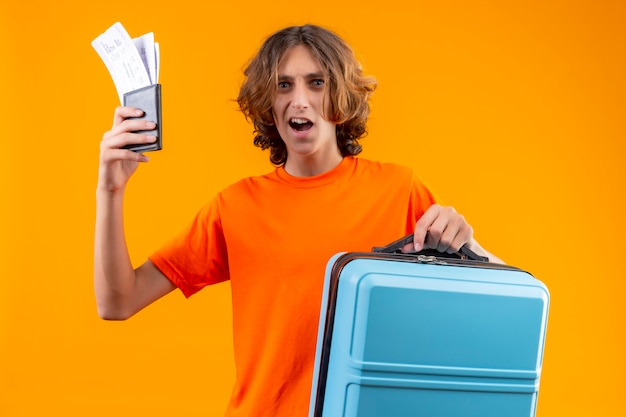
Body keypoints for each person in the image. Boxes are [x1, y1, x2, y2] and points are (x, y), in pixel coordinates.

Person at [94, 24, 503, 417]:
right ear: (268, 105)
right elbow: (118, 301)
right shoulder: (235, 207)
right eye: (283, 85)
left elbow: (507, 293)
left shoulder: (399, 190)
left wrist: (467, 243)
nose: (299, 100)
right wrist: (109, 192)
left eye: (317, 82)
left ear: (340, 96)